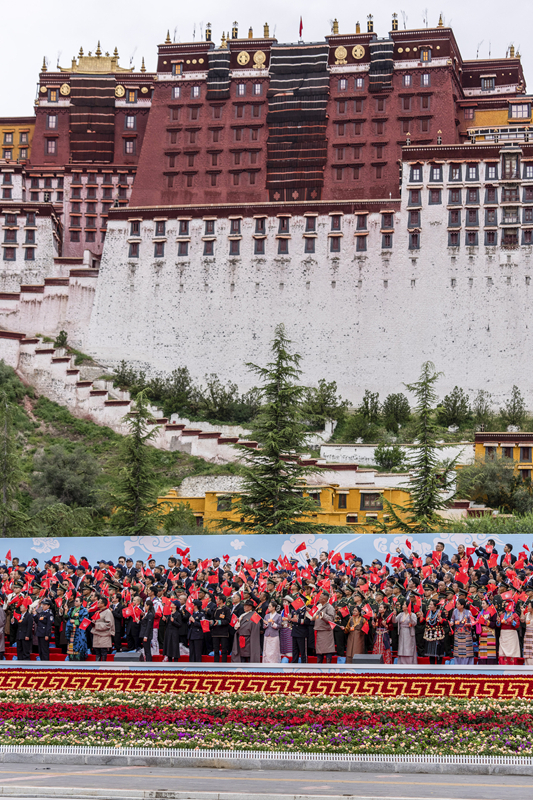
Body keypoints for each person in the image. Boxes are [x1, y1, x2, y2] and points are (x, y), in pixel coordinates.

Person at [313, 592, 336, 664]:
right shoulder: (319, 606)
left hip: (326, 631)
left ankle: (328, 666)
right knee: (319, 651)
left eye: (320, 597)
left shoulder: (329, 607)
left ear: (324, 599)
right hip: (319, 630)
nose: (319, 598)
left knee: (328, 650)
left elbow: (331, 619)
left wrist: (323, 614)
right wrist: (309, 611)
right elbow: (314, 617)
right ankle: (319, 666)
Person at [451, 598, 474, 665]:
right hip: (458, 633)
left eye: (458, 604)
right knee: (458, 650)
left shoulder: (468, 612)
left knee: (467, 650)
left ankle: (467, 664)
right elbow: (452, 619)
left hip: (466, 633)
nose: (456, 605)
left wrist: (468, 624)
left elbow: (473, 622)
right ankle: (458, 664)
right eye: (456, 604)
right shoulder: (454, 611)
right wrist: (451, 623)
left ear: (462, 605)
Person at [65, 597, 88, 661]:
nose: (75, 602)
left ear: (81, 603)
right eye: (75, 601)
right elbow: (66, 617)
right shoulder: (72, 609)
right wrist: (65, 610)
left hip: (79, 631)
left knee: (80, 645)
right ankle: (71, 660)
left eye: (77, 601)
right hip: (71, 630)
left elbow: (85, 620)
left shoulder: (84, 610)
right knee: (71, 646)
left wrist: (75, 621)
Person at [476, 598, 497, 665]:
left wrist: (486, 622)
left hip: (490, 634)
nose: (482, 605)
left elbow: (494, 624)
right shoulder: (480, 613)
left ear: (488, 604)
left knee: (490, 651)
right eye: (481, 603)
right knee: (483, 651)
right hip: (482, 635)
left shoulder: (492, 612)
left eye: (483, 603)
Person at [212, 594, 230, 663]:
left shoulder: (227, 609)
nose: (216, 600)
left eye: (217, 599)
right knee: (216, 650)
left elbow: (228, 621)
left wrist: (219, 622)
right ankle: (216, 663)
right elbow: (212, 619)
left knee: (224, 650)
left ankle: (224, 664)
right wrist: (211, 622)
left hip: (223, 633)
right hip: (215, 632)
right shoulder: (215, 609)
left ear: (221, 600)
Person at [521, 600, 533, 666]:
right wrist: (522, 611)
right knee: (527, 650)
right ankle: (527, 665)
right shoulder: (527, 614)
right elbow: (522, 620)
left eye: (529, 606)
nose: (528, 607)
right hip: (527, 635)